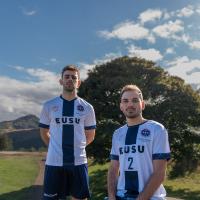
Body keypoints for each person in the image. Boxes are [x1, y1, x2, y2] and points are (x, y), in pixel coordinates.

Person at [39, 65, 96, 200]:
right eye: (67, 77)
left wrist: (77, 148)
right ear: (61, 81)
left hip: (79, 162)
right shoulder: (49, 105)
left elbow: (90, 135)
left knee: (80, 198)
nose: (70, 79)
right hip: (54, 162)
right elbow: (44, 132)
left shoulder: (87, 108)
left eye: (74, 77)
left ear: (79, 82)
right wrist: (56, 147)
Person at [107, 84, 170, 200]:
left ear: (143, 104)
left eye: (135, 100)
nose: (130, 104)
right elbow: (113, 169)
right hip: (122, 195)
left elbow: (160, 173)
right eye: (125, 101)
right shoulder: (118, 134)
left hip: (151, 197)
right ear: (121, 106)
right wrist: (111, 196)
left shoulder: (157, 129)